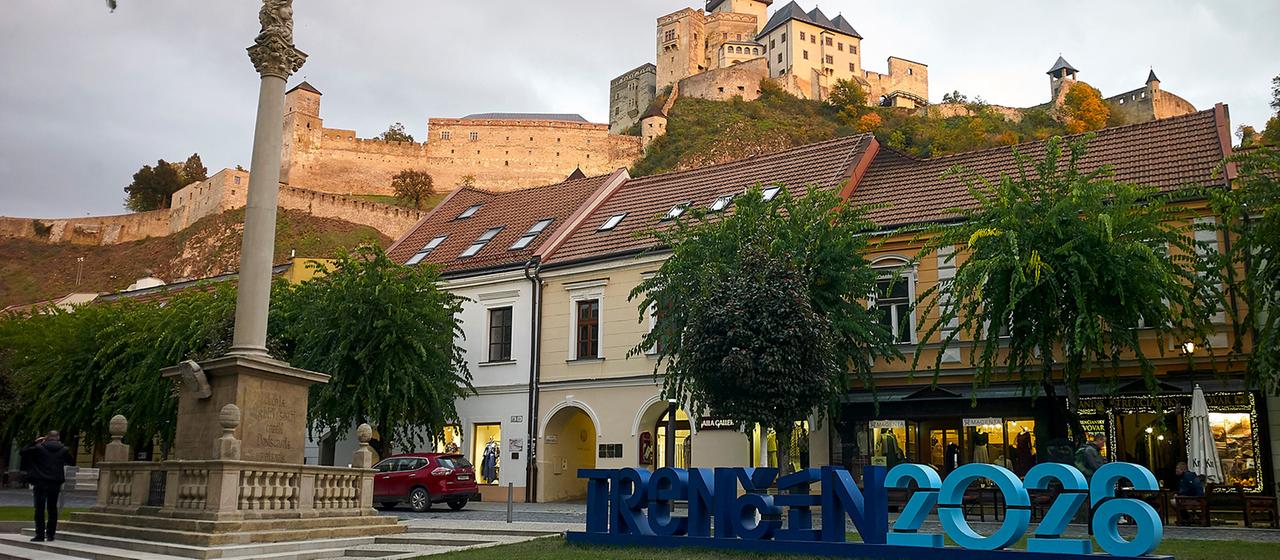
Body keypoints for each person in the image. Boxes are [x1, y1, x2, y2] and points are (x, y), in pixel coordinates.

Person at [19, 431, 74, 542]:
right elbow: (71, 461)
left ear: (46, 438)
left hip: (40, 481)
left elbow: (23, 452)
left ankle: (39, 534)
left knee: (39, 509)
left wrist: (34, 442)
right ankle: (50, 534)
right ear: (58, 438)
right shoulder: (64, 450)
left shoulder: (39, 448)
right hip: (55, 482)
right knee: (52, 508)